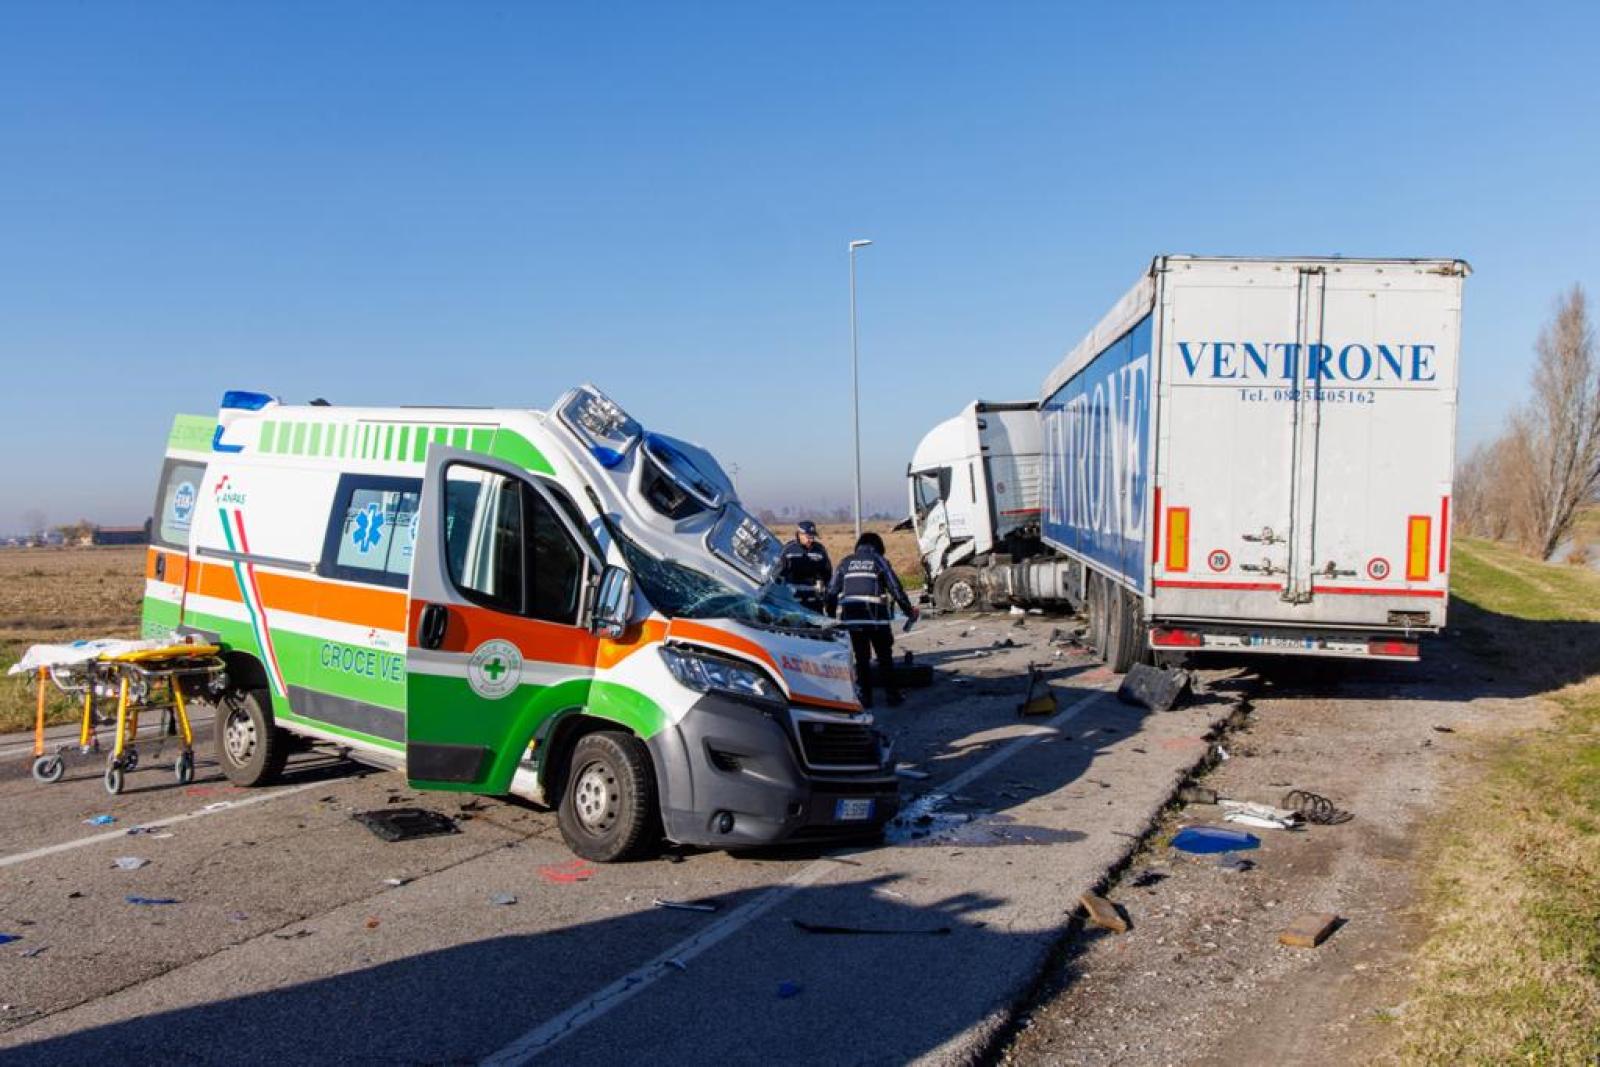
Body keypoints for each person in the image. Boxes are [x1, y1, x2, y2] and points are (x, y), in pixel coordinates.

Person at [826, 531, 918, 707]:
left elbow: (831, 592)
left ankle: (866, 698)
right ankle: (892, 696)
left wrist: (830, 618)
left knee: (862, 659)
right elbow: (895, 589)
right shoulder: (879, 561)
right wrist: (908, 610)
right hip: (876, 620)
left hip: (852, 621)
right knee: (885, 658)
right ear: (878, 547)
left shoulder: (845, 562)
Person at [777, 520, 832, 609]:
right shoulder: (788, 549)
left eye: (813, 536)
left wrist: (823, 585)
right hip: (793, 598)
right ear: (799, 535)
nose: (811, 539)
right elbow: (780, 572)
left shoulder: (820, 549)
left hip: (814, 598)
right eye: (808, 536)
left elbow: (827, 571)